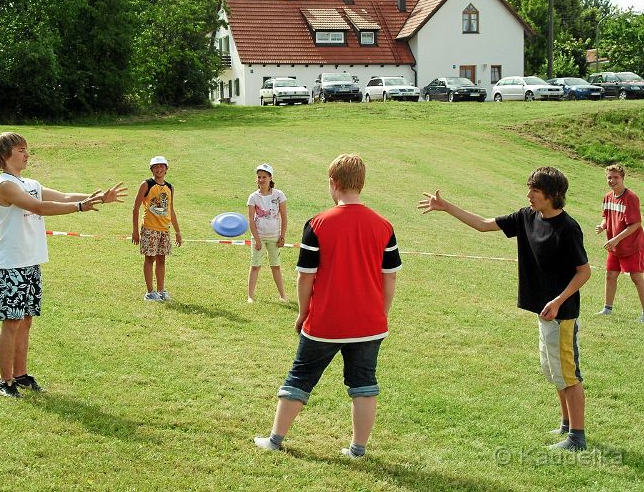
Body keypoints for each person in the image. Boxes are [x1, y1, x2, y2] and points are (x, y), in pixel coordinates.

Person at [418, 166, 591, 451]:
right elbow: (484, 224)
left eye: (535, 190)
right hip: (544, 311)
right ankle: (565, 423)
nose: (529, 195)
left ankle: (577, 437)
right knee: (553, 371)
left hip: (561, 314)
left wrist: (558, 300)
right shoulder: (526, 216)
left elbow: (583, 272)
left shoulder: (568, 228)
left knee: (568, 375)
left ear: (552, 195)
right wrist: (446, 206)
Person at [254, 154, 401, 459]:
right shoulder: (384, 226)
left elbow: (305, 278)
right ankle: (358, 449)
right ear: (361, 183)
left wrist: (302, 313)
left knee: (299, 378)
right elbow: (390, 279)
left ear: (333, 184)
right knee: (364, 384)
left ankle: (274, 440)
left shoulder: (318, 224)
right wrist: (380, 315)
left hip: (325, 323)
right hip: (369, 325)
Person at [0, 131, 127, 398]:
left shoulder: (29, 182)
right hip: (9, 264)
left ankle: (21, 374)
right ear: (5, 155)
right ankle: (5, 381)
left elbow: (62, 196)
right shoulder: (4, 185)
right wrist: (80, 207)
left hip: (30, 262)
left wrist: (97, 197)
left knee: (26, 321)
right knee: (11, 323)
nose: (27, 154)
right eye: (21, 150)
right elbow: (38, 207)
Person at [595, 164, 644, 322]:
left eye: (616, 177)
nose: (612, 180)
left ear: (622, 178)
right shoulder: (607, 197)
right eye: (609, 177)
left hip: (631, 246)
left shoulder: (631, 198)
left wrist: (616, 238)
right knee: (610, 275)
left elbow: (636, 224)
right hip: (614, 247)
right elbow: (606, 216)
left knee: (636, 278)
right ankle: (607, 309)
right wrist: (603, 225)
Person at [132, 156, 182, 301]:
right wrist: (135, 231)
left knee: (161, 259)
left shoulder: (170, 187)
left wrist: (178, 232)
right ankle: (150, 292)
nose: (159, 169)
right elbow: (135, 208)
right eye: (156, 167)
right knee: (150, 259)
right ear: (151, 169)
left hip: (164, 229)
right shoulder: (146, 184)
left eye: (162, 166)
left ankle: (161, 290)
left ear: (166, 169)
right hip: (149, 228)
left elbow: (171, 211)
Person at [247, 163, 288, 303]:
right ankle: (250, 296)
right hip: (259, 237)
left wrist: (282, 236)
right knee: (255, 266)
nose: (261, 180)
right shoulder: (253, 197)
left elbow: (284, 216)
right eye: (259, 177)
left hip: (274, 237)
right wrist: (257, 240)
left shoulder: (279, 195)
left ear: (270, 178)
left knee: (276, 266)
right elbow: (251, 221)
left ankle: (283, 295)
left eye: (264, 177)